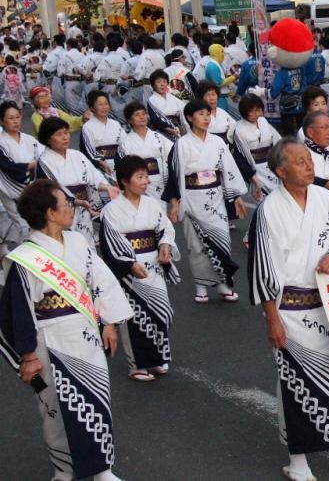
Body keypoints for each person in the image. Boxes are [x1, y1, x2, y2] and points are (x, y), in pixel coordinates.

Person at [247, 137, 329, 481]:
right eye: (300, 161)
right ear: (281, 170)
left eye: (309, 159)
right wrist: (272, 319)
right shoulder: (269, 210)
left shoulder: (326, 199)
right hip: (290, 309)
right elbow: (263, 268)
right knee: (296, 384)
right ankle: (299, 461)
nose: (309, 166)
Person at [0, 178, 132, 481]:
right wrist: (28, 354)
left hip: (86, 333)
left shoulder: (78, 241)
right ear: (49, 213)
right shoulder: (25, 258)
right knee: (55, 409)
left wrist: (109, 322)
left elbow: (100, 281)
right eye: (66, 204)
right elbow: (19, 312)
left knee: (96, 400)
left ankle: (102, 469)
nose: (71, 208)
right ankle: (63, 468)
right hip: (49, 339)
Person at [99, 155, 180, 382]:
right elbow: (111, 242)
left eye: (146, 176)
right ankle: (137, 364)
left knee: (162, 313)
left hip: (153, 264)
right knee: (135, 317)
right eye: (140, 177)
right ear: (125, 181)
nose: (145, 181)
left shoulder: (152, 204)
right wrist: (129, 263)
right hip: (129, 271)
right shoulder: (111, 211)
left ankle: (158, 357)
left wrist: (164, 245)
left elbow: (166, 228)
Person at [163, 99, 247, 304]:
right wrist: (174, 203)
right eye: (200, 114)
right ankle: (201, 286)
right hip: (192, 198)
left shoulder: (218, 143)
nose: (206, 118)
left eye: (208, 114)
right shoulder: (181, 144)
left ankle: (224, 285)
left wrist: (236, 196)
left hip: (216, 196)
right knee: (196, 245)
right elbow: (174, 175)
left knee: (222, 241)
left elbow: (229, 169)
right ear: (190, 118)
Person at [36, 117, 120, 244]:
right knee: (68, 246)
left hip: (83, 208)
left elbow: (95, 177)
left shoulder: (77, 155)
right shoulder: (44, 162)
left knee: (87, 246)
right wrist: (77, 201)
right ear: (48, 139)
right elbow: (51, 190)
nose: (65, 137)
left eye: (66, 133)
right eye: (59, 134)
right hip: (62, 210)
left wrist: (108, 188)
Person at [0, 101, 43, 253]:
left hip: (32, 188)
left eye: (18, 117)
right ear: (2, 121)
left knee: (34, 225)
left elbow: (44, 157)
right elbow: (7, 166)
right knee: (23, 225)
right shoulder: (1, 142)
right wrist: (30, 166)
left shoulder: (29, 139)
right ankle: (23, 261)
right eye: (11, 118)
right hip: (10, 189)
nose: (16, 121)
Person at [118, 101, 174, 203]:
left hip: (162, 180)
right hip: (140, 184)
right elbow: (124, 167)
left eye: (144, 114)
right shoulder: (126, 143)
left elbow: (173, 153)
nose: (142, 117)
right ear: (130, 120)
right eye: (137, 115)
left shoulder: (158, 136)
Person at [230, 93, 283, 202]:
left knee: (281, 196)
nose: (256, 114)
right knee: (265, 201)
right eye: (251, 111)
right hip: (256, 169)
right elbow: (241, 157)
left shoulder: (263, 121)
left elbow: (277, 140)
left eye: (258, 109)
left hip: (272, 164)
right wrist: (253, 178)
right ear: (245, 112)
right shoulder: (239, 130)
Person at [80, 89, 125, 181]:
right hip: (101, 167)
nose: (104, 107)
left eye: (106, 104)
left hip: (120, 165)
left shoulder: (115, 124)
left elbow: (125, 144)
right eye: (100, 104)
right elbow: (90, 150)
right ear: (92, 107)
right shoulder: (87, 127)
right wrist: (102, 163)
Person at [269, 49, 307, 136]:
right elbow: (305, 83)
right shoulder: (300, 68)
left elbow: (275, 91)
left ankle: (291, 148)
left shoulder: (282, 73)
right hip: (300, 103)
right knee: (302, 131)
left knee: (288, 132)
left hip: (286, 105)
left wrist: (268, 93)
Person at [94, 33, 130, 122]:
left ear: (108, 47)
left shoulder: (105, 59)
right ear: (118, 47)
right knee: (121, 107)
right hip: (122, 87)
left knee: (109, 108)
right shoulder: (122, 59)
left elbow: (97, 76)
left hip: (109, 86)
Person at [147, 69, 186, 140]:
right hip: (163, 131)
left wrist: (183, 127)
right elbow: (156, 119)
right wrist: (171, 130)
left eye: (164, 81)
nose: (162, 84)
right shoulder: (152, 100)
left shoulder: (172, 97)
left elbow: (184, 109)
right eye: (158, 82)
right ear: (153, 85)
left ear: (167, 83)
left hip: (178, 127)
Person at [57, 38, 88, 116]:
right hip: (81, 81)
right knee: (80, 102)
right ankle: (80, 118)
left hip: (70, 82)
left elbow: (60, 72)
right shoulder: (82, 55)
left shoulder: (65, 55)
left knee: (71, 104)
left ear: (68, 45)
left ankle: (76, 119)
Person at [206, 43, 237, 113]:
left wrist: (230, 93)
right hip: (217, 99)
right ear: (217, 53)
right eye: (222, 52)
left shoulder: (217, 64)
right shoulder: (212, 66)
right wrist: (234, 77)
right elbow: (219, 83)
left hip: (221, 97)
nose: (223, 55)